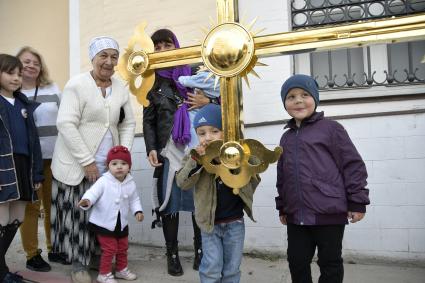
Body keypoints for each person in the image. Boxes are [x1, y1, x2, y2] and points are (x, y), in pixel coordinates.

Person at [51, 36, 136, 283]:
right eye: (103, 56)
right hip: (76, 164)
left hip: (107, 165)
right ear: (93, 58)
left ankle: (100, 258)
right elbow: (65, 123)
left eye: (113, 56)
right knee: (78, 214)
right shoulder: (76, 85)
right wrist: (87, 161)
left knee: (104, 213)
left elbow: (128, 122)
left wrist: (123, 153)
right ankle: (78, 264)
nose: (109, 62)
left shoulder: (120, 87)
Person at [275, 74, 370, 283]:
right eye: (291, 96)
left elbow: (352, 165)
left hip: (329, 212)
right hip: (296, 215)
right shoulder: (286, 137)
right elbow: (282, 175)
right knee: (296, 261)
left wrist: (357, 201)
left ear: (315, 98)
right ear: (285, 103)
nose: (298, 100)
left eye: (304, 94)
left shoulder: (331, 129)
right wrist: (282, 206)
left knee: (330, 262)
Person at [143, 28, 211, 276]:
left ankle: (200, 250)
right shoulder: (151, 82)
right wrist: (151, 147)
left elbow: (222, 100)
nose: (162, 51)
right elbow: (149, 119)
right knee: (169, 203)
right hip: (168, 151)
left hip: (198, 149)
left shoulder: (196, 72)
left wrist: (208, 102)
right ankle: (172, 254)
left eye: (167, 45)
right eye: (157, 47)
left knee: (198, 201)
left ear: (176, 46)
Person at [176, 103, 260, 283]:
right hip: (209, 225)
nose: (208, 137)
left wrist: (240, 157)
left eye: (214, 131)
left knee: (231, 269)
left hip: (235, 223)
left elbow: (254, 175)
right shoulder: (195, 156)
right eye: (202, 133)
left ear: (226, 131)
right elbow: (182, 183)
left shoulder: (236, 152)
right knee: (211, 269)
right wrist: (195, 162)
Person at [16, 46, 65, 272]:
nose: (32, 65)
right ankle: (32, 254)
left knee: (54, 206)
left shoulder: (52, 88)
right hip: (28, 163)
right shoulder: (11, 93)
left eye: (36, 62)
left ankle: (54, 248)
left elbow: (65, 117)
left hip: (54, 158)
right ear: (16, 65)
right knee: (31, 208)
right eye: (26, 61)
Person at [0, 54, 44, 283]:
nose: (16, 78)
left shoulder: (24, 104)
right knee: (1, 219)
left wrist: (36, 172)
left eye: (19, 73)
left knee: (16, 218)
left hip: (23, 166)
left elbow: (34, 141)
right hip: (3, 165)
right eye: (10, 73)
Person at [78, 146, 143, 283]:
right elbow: (93, 193)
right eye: (114, 164)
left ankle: (121, 269)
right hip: (104, 223)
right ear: (108, 166)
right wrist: (87, 201)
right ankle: (104, 274)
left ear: (129, 167)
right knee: (109, 249)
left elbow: (134, 199)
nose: (119, 167)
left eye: (123, 164)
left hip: (121, 223)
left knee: (123, 248)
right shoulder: (104, 181)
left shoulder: (130, 182)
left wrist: (138, 211)